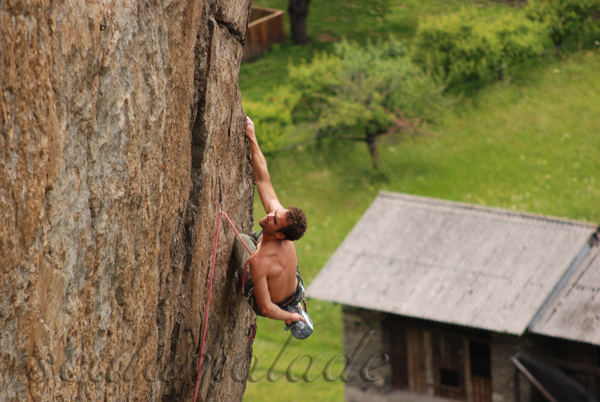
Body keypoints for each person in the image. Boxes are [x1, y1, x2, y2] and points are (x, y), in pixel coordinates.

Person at [243, 116, 308, 327]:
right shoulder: (282, 230)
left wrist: (289, 317)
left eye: (275, 219)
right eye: (275, 213)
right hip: (294, 288)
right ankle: (295, 303)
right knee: (260, 234)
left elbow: (266, 307)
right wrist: (252, 136)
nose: (270, 214)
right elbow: (263, 178)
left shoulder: (259, 262)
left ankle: (293, 310)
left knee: (242, 239)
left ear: (281, 234)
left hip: (275, 301)